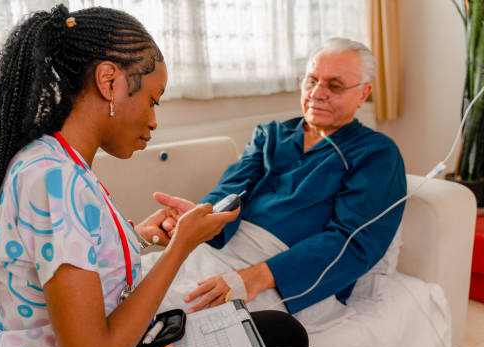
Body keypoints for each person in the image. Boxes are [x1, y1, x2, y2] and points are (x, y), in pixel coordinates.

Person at [0, 5, 339, 347]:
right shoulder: (53, 181)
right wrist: (179, 249)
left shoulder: (56, 162)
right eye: (153, 100)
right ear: (109, 81)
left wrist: (136, 239)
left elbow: (73, 257)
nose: (154, 120)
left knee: (282, 330)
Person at [154, 37, 407, 315]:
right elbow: (233, 187)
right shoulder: (271, 134)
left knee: (173, 312)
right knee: (138, 284)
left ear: (363, 93)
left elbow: (354, 240)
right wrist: (203, 217)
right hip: (226, 249)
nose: (317, 93)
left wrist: (257, 276)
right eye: (311, 80)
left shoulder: (376, 153)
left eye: (334, 85)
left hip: (289, 275)